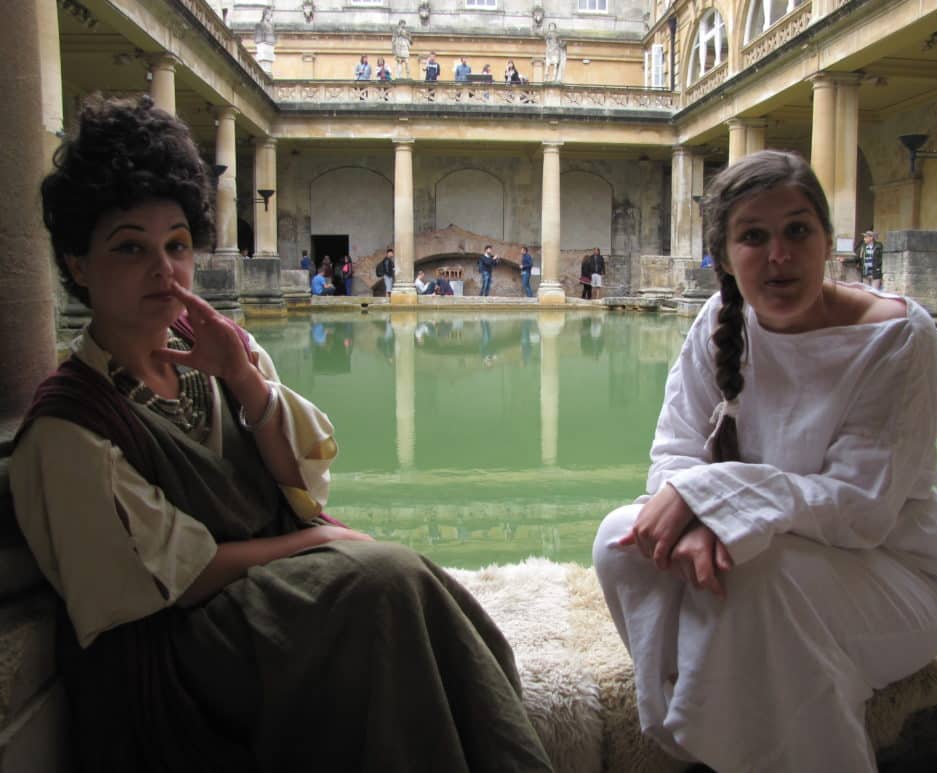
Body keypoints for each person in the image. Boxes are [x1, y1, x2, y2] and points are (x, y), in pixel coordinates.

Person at [12, 94, 552, 773]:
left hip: (267, 598)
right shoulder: (68, 428)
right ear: (78, 264)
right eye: (129, 246)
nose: (163, 269)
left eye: (177, 244)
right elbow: (181, 579)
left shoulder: (218, 350)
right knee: (383, 579)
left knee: (413, 590)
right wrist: (318, 538)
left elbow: (300, 478)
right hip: (184, 655)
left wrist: (243, 379)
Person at [591, 150, 937, 772]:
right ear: (723, 254)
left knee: (753, 576)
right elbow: (673, 454)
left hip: (892, 573)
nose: (779, 255)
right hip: (764, 555)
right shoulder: (719, 320)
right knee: (621, 538)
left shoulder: (898, 337)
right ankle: (702, 727)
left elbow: (862, 511)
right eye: (754, 236)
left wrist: (718, 505)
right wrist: (704, 518)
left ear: (829, 241)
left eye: (798, 229)